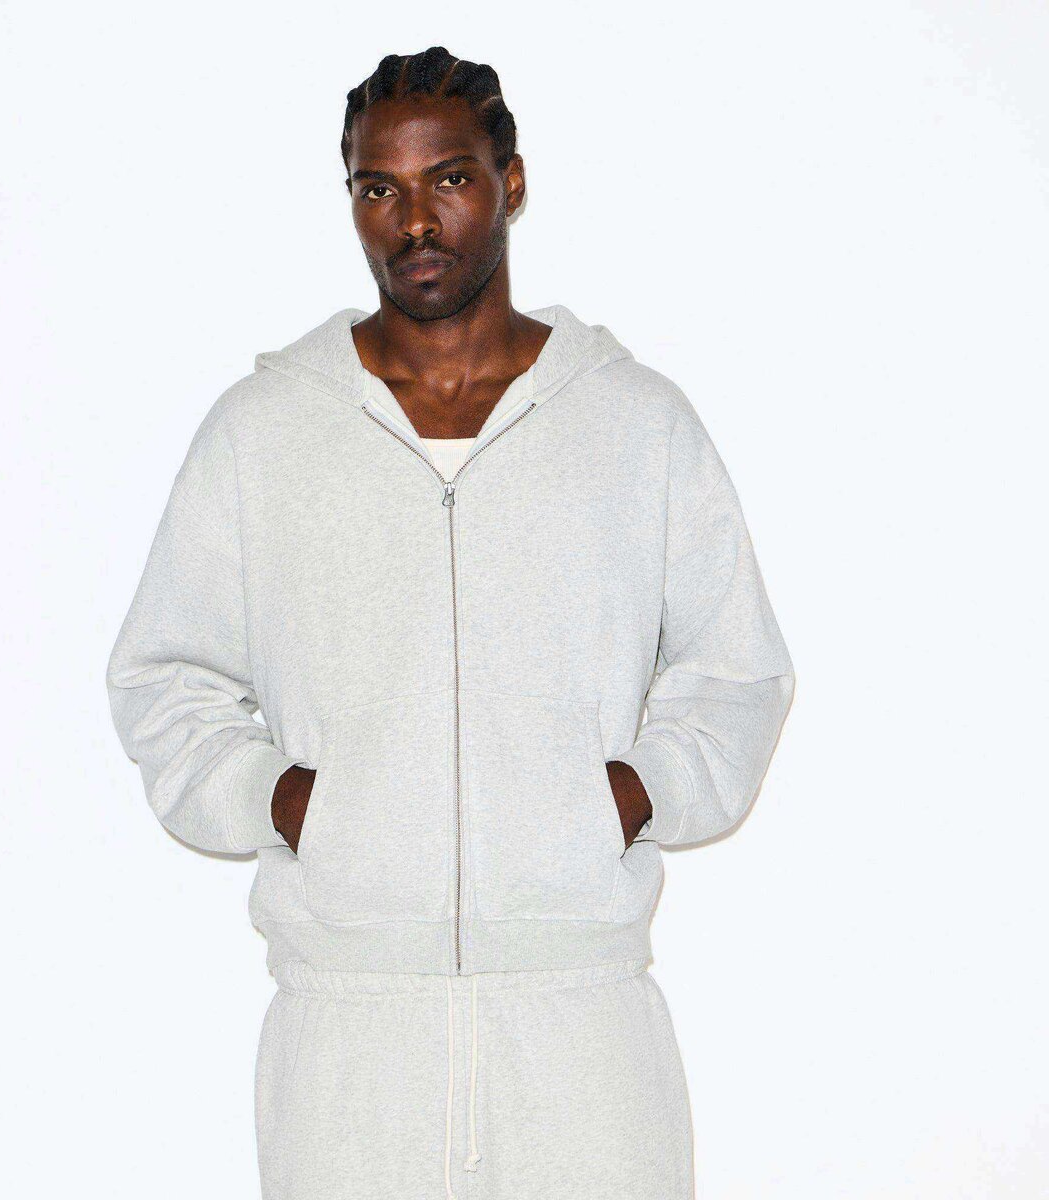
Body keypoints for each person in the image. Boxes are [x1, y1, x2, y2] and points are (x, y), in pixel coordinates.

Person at [106, 45, 795, 1200]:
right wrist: (289, 802)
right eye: (379, 188)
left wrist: (625, 797)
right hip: (349, 1038)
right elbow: (165, 677)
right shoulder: (265, 433)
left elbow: (735, 675)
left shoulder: (634, 424)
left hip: (581, 1030)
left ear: (511, 183)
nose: (414, 220)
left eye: (450, 179)